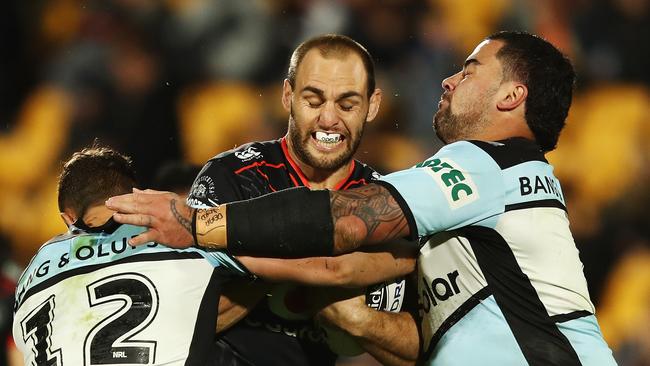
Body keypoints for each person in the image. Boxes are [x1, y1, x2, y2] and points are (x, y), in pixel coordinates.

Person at [107, 31, 617, 364]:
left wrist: (198, 226)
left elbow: (345, 224)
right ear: (288, 97)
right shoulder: (491, 186)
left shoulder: (483, 163)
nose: (448, 78)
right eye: (314, 99)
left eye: (469, 70)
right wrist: (348, 314)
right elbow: (342, 270)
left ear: (510, 97)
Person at [13, 145, 413, 366]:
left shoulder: (30, 277)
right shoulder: (174, 246)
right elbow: (325, 269)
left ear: (66, 217)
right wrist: (410, 256)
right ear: (138, 197)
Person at [184, 34, 416, 365]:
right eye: (313, 100)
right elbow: (184, 315)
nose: (329, 120)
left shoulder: (386, 205)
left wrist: (359, 321)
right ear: (287, 95)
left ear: (373, 105)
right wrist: (308, 267)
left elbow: (419, 350)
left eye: (347, 104)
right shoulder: (232, 176)